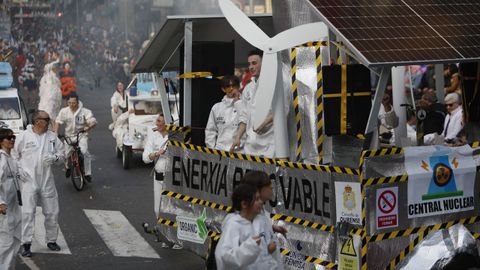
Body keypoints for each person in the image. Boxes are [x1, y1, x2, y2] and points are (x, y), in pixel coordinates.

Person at [13, 111, 65, 257]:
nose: (49, 122)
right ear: (37, 121)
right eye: (46, 119)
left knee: (52, 212)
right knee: (28, 213)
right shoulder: (23, 136)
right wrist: (19, 170)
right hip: (28, 181)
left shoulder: (52, 138)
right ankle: (26, 243)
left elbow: (62, 155)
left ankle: (51, 240)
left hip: (47, 180)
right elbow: (13, 156)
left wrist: (54, 158)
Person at [142, 114, 182, 249]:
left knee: (173, 209)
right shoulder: (153, 136)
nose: (157, 123)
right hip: (158, 178)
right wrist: (155, 154)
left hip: (172, 178)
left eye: (160, 121)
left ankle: (177, 240)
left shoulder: (176, 137)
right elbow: (145, 157)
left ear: (167, 124)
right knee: (158, 209)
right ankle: (166, 237)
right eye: (157, 121)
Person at [215, 184, 272, 270]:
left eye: (260, 198)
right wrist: (251, 246)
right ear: (244, 204)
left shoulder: (252, 223)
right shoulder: (234, 225)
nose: (261, 202)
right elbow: (224, 256)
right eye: (256, 199)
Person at [230, 50, 275, 158]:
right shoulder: (248, 88)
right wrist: (238, 137)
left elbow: (281, 110)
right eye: (249, 64)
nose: (250, 67)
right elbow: (244, 116)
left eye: (254, 63)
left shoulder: (276, 84)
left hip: (270, 146)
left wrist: (263, 123)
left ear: (264, 63)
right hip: (250, 147)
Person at [241, 171, 285, 269]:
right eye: (268, 186)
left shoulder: (262, 211)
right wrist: (268, 249)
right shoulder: (250, 218)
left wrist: (271, 228)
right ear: (257, 191)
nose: (272, 188)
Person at [54, 94, 97, 181]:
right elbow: (57, 122)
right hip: (69, 136)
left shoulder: (85, 111)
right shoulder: (64, 111)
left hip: (81, 135)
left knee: (85, 152)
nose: (71, 105)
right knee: (66, 154)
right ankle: (67, 167)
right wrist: (55, 133)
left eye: (73, 103)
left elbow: (93, 121)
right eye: (69, 103)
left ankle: (87, 173)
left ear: (77, 102)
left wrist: (89, 127)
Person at [0, 128, 22, 268]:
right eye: (9, 138)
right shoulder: (1, 160)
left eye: (13, 137)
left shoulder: (11, 158)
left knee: (15, 240)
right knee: (6, 242)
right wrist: (0, 203)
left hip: (14, 207)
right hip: (4, 209)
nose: (12, 139)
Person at [205, 76, 241, 151]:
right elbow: (210, 130)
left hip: (240, 151)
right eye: (228, 86)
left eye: (234, 85)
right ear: (223, 89)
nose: (231, 89)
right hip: (220, 151)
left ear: (239, 87)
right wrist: (212, 150)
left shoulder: (245, 105)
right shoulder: (217, 107)